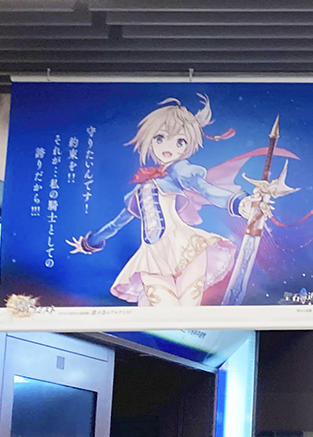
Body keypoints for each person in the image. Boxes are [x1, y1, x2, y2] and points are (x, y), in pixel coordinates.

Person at [66, 95, 264, 307]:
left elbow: (206, 189)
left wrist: (239, 202)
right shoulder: (139, 191)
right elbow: (117, 224)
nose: (168, 146)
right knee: (163, 311)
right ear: (150, 140)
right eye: (160, 138)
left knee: (187, 312)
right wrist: (89, 243)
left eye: (180, 141)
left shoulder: (180, 171)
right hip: (152, 257)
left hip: (186, 249)